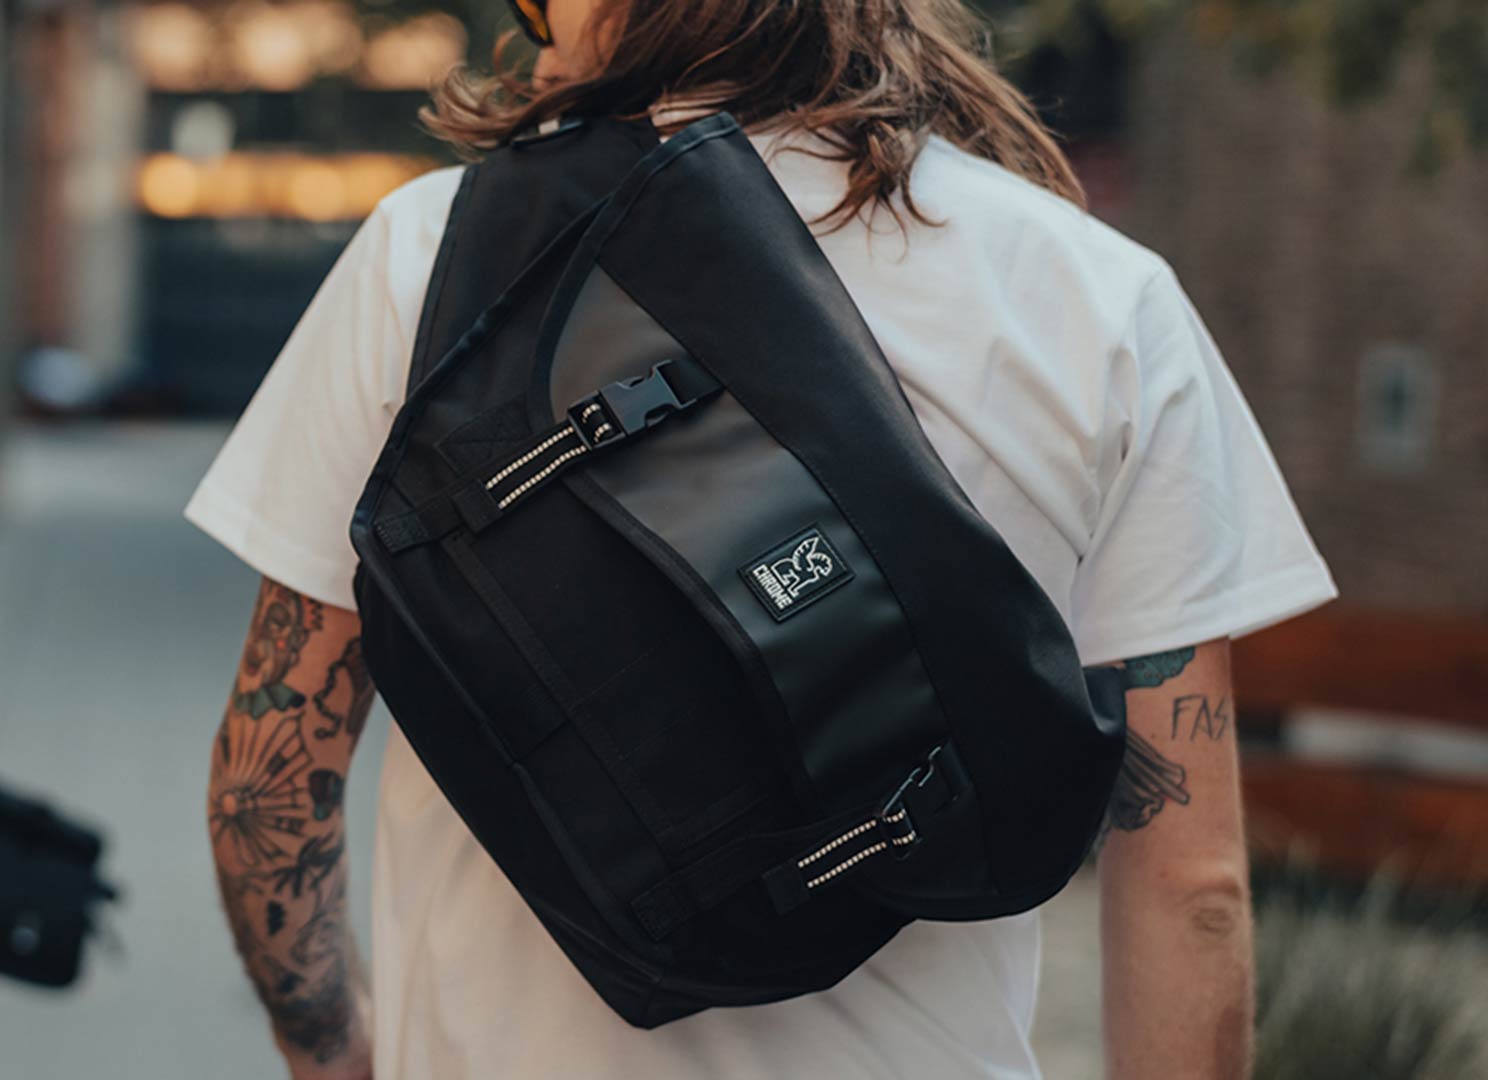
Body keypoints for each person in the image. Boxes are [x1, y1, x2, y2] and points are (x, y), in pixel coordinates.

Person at [186, 0, 1338, 1076]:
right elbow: (1191, 889)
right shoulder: (1101, 304)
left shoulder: (431, 257)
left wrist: (338, 1053)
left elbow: (270, 796)